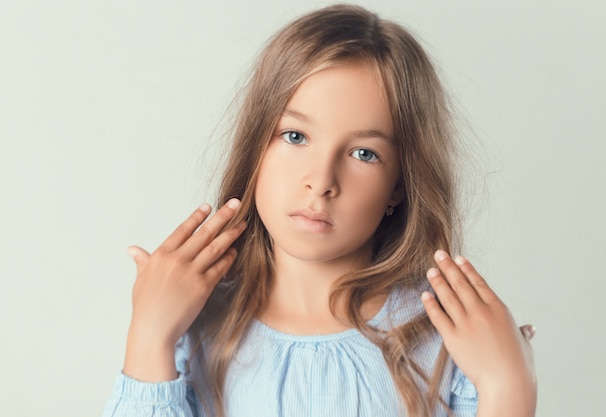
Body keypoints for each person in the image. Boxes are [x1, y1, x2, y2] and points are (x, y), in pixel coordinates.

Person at [102, 4, 536, 417]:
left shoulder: (448, 336)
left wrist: (508, 385)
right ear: (256, 146)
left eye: (364, 153)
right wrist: (148, 338)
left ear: (400, 186)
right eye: (295, 137)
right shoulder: (192, 327)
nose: (321, 181)